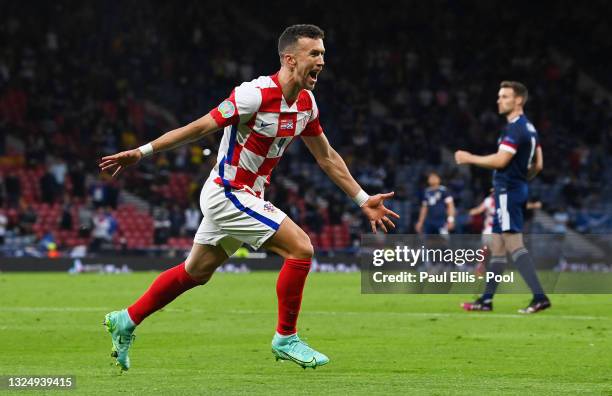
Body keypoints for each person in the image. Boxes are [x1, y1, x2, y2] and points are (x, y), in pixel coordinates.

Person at [99, 24, 399, 371]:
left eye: (323, 54)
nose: (322, 61)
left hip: (246, 195)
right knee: (301, 248)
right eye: (314, 54)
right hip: (227, 192)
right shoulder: (254, 95)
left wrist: (363, 199)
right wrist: (142, 151)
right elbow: (200, 128)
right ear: (289, 58)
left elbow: (327, 157)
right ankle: (286, 338)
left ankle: (126, 319)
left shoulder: (306, 103)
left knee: (196, 272)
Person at [455, 80, 550, 314]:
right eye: (499, 96)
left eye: (505, 96)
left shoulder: (515, 128)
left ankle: (539, 297)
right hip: (510, 189)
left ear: (518, 100)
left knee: (514, 245)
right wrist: (517, 180)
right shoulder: (530, 128)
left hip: (509, 191)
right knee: (497, 249)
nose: (499, 100)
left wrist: (469, 158)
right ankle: (486, 301)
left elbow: (501, 160)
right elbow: (538, 164)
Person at [468, 189, 496, 275]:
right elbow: (479, 210)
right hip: (490, 228)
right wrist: (471, 212)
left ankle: (491, 267)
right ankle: (480, 267)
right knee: (485, 248)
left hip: (499, 229)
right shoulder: (489, 200)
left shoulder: (505, 200)